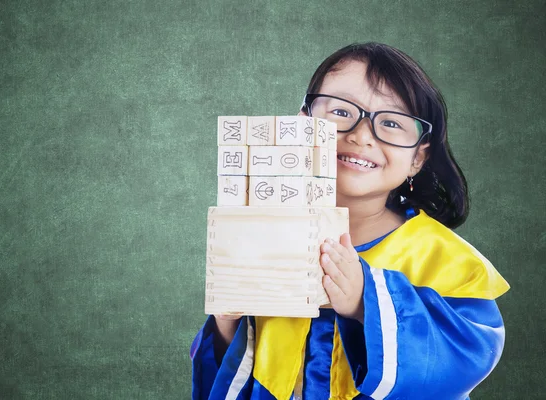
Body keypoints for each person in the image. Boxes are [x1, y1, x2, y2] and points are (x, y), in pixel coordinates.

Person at [190, 42, 510, 400]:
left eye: (390, 122)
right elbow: (237, 368)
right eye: (341, 112)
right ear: (303, 123)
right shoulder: (265, 237)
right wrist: (228, 320)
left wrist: (366, 300)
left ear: (418, 158)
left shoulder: (448, 261)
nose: (361, 135)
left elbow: (468, 356)